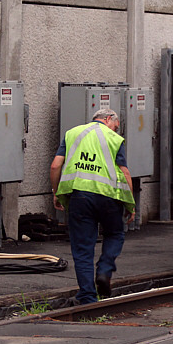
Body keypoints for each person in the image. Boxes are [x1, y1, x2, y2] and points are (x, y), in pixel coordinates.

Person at [50, 108, 135, 305]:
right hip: (110, 198)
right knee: (115, 234)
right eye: (115, 125)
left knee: (82, 248)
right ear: (108, 119)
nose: (116, 130)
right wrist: (130, 205)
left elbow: (55, 165)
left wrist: (56, 192)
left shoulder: (72, 133)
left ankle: (88, 296)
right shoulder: (114, 139)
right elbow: (125, 173)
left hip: (80, 197)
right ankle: (105, 270)